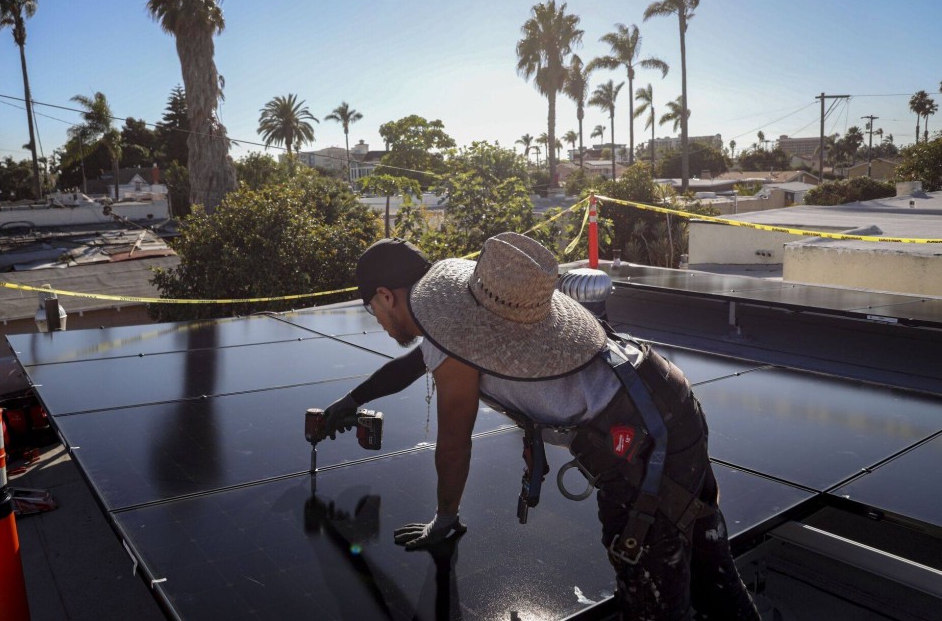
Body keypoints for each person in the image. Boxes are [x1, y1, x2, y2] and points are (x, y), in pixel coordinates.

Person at [323, 233, 759, 620]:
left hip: (639, 443)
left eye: (372, 312)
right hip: (664, 391)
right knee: (709, 558)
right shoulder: (464, 308)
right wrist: (351, 401)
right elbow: (413, 366)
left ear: (385, 296)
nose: (378, 323)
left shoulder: (448, 331)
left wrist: (445, 519)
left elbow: (454, 443)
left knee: (652, 597)